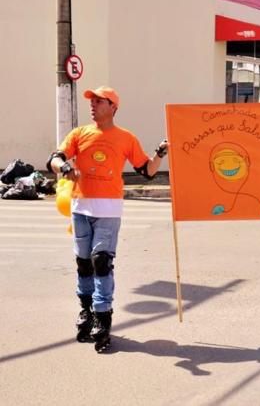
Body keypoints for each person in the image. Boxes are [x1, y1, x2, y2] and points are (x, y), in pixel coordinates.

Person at [47, 86, 169, 352]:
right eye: (92, 101)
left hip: (109, 209)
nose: (93, 105)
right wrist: (65, 166)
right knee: (83, 264)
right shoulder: (79, 134)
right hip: (81, 207)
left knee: (101, 261)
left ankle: (103, 318)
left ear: (113, 107)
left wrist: (159, 154)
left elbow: (146, 171)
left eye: (100, 101)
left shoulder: (125, 137)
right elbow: (55, 159)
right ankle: (86, 310)